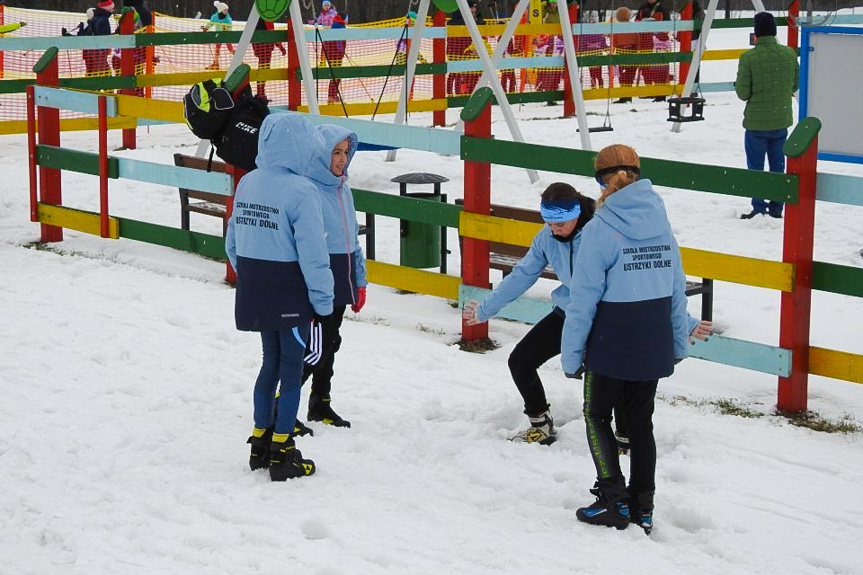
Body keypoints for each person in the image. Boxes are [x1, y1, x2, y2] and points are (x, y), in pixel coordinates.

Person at [561, 144, 713, 534]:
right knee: (641, 424)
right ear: (639, 174)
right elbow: (677, 289)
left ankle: (613, 500)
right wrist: (678, 341)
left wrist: (571, 354)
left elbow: (583, 300)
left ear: (599, 180)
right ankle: (643, 506)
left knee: (597, 415)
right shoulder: (662, 222)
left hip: (612, 337)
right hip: (653, 335)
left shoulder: (599, 229)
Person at [226, 114, 334, 482]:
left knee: (268, 361)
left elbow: (233, 242)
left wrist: (252, 273)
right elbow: (314, 254)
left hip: (256, 284)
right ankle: (283, 451)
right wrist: (323, 301)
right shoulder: (302, 190)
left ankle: (260, 442)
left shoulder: (249, 183)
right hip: (288, 288)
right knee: (292, 367)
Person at [462, 183, 595, 445]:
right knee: (521, 361)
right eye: (549, 224)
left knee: (604, 377)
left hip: (603, 316)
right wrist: (487, 308)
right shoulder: (547, 237)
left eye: (561, 225)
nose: (555, 231)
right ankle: (540, 424)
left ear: (577, 214)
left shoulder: (598, 234)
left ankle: (621, 437)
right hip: (568, 311)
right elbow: (523, 274)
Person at [299, 124, 368, 429]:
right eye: (335, 153)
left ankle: (320, 402)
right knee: (314, 345)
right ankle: (280, 401)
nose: (341, 159)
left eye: (345, 152)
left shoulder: (343, 187)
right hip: (317, 275)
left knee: (332, 340)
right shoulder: (308, 189)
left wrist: (359, 279)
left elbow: (352, 236)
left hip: (342, 272)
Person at [736, 12, 799, 220]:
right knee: (778, 166)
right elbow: (795, 84)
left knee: (756, 168)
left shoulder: (748, 58)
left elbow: (743, 94)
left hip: (756, 123)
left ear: (756, 33)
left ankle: (759, 207)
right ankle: (776, 208)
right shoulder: (789, 54)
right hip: (781, 120)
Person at [635, 0, 670, 101]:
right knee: (646, 68)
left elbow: (667, 25)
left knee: (660, 69)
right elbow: (636, 22)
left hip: (659, 42)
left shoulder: (663, 8)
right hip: (645, 42)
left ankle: (661, 93)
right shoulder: (642, 7)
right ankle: (649, 90)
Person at [252, 17, 287, 101]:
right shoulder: (267, 18)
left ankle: (260, 93)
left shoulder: (256, 19)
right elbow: (272, 34)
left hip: (259, 46)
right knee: (264, 70)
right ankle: (260, 94)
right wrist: (281, 47)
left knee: (262, 69)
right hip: (265, 47)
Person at [611, 7, 638, 103]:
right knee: (630, 74)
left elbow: (614, 41)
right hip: (632, 52)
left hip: (621, 53)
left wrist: (613, 50)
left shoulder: (617, 28)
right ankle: (628, 95)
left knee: (622, 75)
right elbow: (638, 39)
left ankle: (623, 96)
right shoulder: (633, 27)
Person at [322, 12, 347, 104]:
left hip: (332, 55)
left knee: (336, 76)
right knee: (336, 76)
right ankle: (331, 96)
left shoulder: (335, 25)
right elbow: (340, 42)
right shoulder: (340, 26)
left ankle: (333, 95)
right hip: (335, 56)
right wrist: (341, 52)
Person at [203, 2, 235, 70]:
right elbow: (211, 23)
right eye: (225, 10)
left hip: (226, 35)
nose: (226, 12)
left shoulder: (228, 18)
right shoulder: (215, 17)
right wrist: (206, 28)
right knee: (217, 49)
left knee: (230, 49)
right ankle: (216, 63)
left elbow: (229, 26)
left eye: (227, 10)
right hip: (219, 35)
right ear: (220, 10)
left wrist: (227, 29)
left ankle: (240, 61)